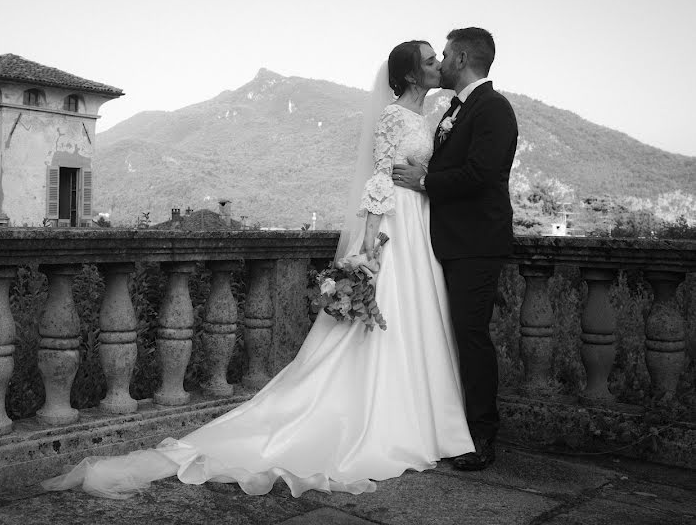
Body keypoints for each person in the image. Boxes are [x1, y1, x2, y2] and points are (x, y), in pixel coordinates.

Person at [41, 40, 474, 499]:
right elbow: (378, 178)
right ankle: (384, 421)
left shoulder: (429, 117)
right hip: (394, 224)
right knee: (386, 318)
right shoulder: (391, 116)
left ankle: (418, 416)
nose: (437, 66)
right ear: (409, 75)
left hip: (418, 221)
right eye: (429, 61)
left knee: (414, 318)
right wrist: (367, 247)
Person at [392, 27, 518, 471]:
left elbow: (481, 174)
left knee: (471, 336)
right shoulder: (455, 109)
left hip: (475, 245)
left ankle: (483, 437)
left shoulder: (493, 109)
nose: (441, 62)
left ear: (461, 57)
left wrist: (423, 181)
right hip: (445, 242)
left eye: (444, 55)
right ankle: (447, 427)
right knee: (449, 335)